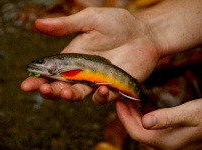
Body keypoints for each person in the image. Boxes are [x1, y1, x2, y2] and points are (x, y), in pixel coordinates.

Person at [21, 0, 202, 149]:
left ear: (57, 65)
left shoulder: (66, 71)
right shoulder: (62, 70)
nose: (38, 67)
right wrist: (149, 30)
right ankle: (141, 102)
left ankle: (142, 102)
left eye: (42, 64)